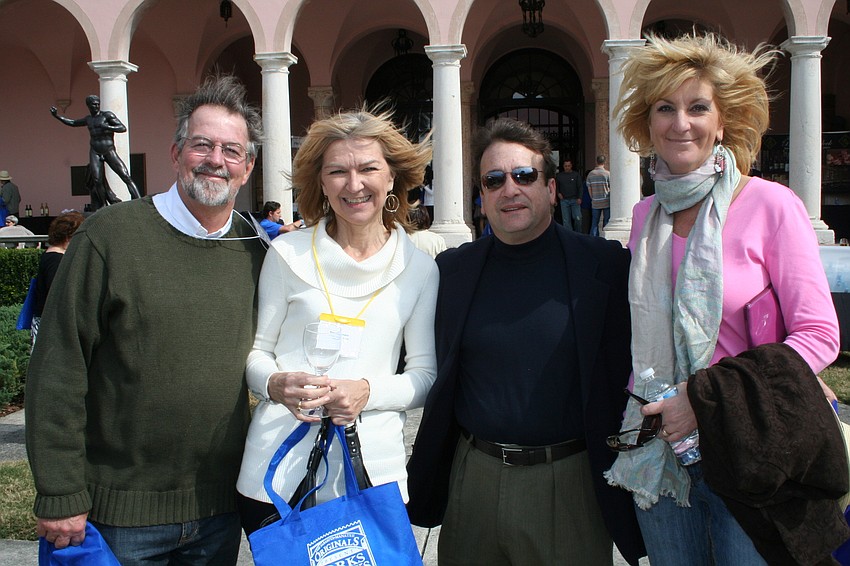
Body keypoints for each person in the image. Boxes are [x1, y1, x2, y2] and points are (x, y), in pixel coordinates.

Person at [604, 33, 841, 566]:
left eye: (697, 107)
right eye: (665, 107)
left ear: (723, 120)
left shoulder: (771, 205)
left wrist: (706, 399)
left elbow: (820, 336)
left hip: (750, 446)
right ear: (647, 122)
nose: (680, 122)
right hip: (658, 448)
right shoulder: (645, 217)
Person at [26, 74, 267, 565]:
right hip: (115, 518)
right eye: (202, 145)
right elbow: (57, 371)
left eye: (231, 150)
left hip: (217, 514)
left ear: (247, 168)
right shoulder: (110, 238)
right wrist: (59, 492)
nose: (216, 160)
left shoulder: (257, 252)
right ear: (176, 154)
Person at [406, 118, 645, 566]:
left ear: (552, 188)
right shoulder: (453, 272)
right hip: (473, 478)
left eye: (525, 176)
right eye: (494, 180)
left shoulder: (605, 267)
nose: (509, 189)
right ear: (481, 196)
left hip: (569, 482)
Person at [235, 109, 438, 536]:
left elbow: (424, 376)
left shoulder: (419, 268)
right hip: (276, 474)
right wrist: (275, 384)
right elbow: (257, 352)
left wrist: (367, 391)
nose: (354, 184)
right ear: (322, 184)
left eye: (368, 168)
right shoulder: (286, 253)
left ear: (391, 179)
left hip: (371, 476)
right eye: (338, 171)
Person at [50, 95, 142, 210]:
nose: (97, 106)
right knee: (97, 179)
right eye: (94, 104)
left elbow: (122, 128)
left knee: (125, 175)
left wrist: (107, 126)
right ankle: (103, 206)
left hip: (108, 149)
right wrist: (57, 116)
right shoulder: (89, 119)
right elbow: (73, 123)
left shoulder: (107, 115)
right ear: (88, 105)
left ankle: (138, 201)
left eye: (98, 103)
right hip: (95, 151)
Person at [30, 211, 85, 345]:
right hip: (51, 324)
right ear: (68, 236)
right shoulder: (56, 260)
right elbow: (58, 293)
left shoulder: (51, 256)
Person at [555, 159, 583, 231]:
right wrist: (558, 193)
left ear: (571, 166)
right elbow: (556, 186)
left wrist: (580, 197)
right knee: (566, 221)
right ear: (563, 166)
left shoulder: (576, 175)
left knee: (578, 218)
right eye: (565, 166)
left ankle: (578, 234)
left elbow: (580, 187)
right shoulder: (559, 176)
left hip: (575, 200)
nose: (567, 167)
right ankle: (569, 237)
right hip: (564, 200)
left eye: (568, 166)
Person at [587, 155, 610, 236]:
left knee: (594, 223)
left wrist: (592, 198)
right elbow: (611, 187)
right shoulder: (607, 174)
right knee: (606, 221)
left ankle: (593, 240)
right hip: (606, 200)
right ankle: (605, 238)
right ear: (604, 162)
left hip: (595, 201)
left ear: (596, 162)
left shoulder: (591, 174)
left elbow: (589, 188)